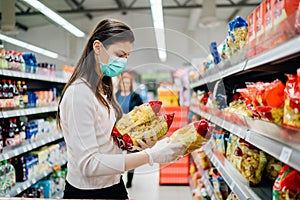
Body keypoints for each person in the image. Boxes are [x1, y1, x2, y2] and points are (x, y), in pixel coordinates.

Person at [56, 19, 184, 199]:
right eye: (119, 54)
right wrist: (150, 156)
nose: (123, 62)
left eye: (126, 57)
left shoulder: (103, 89)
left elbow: (106, 143)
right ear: (98, 47)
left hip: (114, 185)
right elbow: (89, 164)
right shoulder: (79, 93)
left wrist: (137, 141)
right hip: (90, 193)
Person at [116, 72, 143, 188]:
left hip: (132, 131)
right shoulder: (115, 95)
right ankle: (118, 178)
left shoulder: (136, 96)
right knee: (116, 155)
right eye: (123, 82)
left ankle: (129, 180)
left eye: (128, 83)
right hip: (117, 129)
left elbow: (143, 111)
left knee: (131, 155)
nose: (125, 84)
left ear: (131, 84)